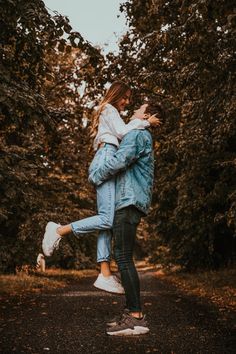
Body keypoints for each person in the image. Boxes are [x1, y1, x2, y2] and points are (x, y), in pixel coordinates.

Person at [42, 81, 160, 294]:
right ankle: (58, 230)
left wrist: (143, 122)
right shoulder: (108, 108)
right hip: (106, 156)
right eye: (124, 97)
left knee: (109, 217)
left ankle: (104, 272)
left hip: (109, 155)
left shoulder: (114, 113)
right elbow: (124, 132)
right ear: (116, 94)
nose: (126, 102)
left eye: (129, 100)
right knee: (107, 218)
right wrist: (145, 122)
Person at [89, 102, 163, 336]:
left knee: (122, 256)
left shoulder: (137, 134)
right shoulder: (142, 134)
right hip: (131, 199)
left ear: (148, 115)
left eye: (139, 110)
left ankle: (135, 317)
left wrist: (96, 175)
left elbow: (120, 160)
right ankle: (133, 313)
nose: (134, 112)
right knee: (123, 256)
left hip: (128, 200)